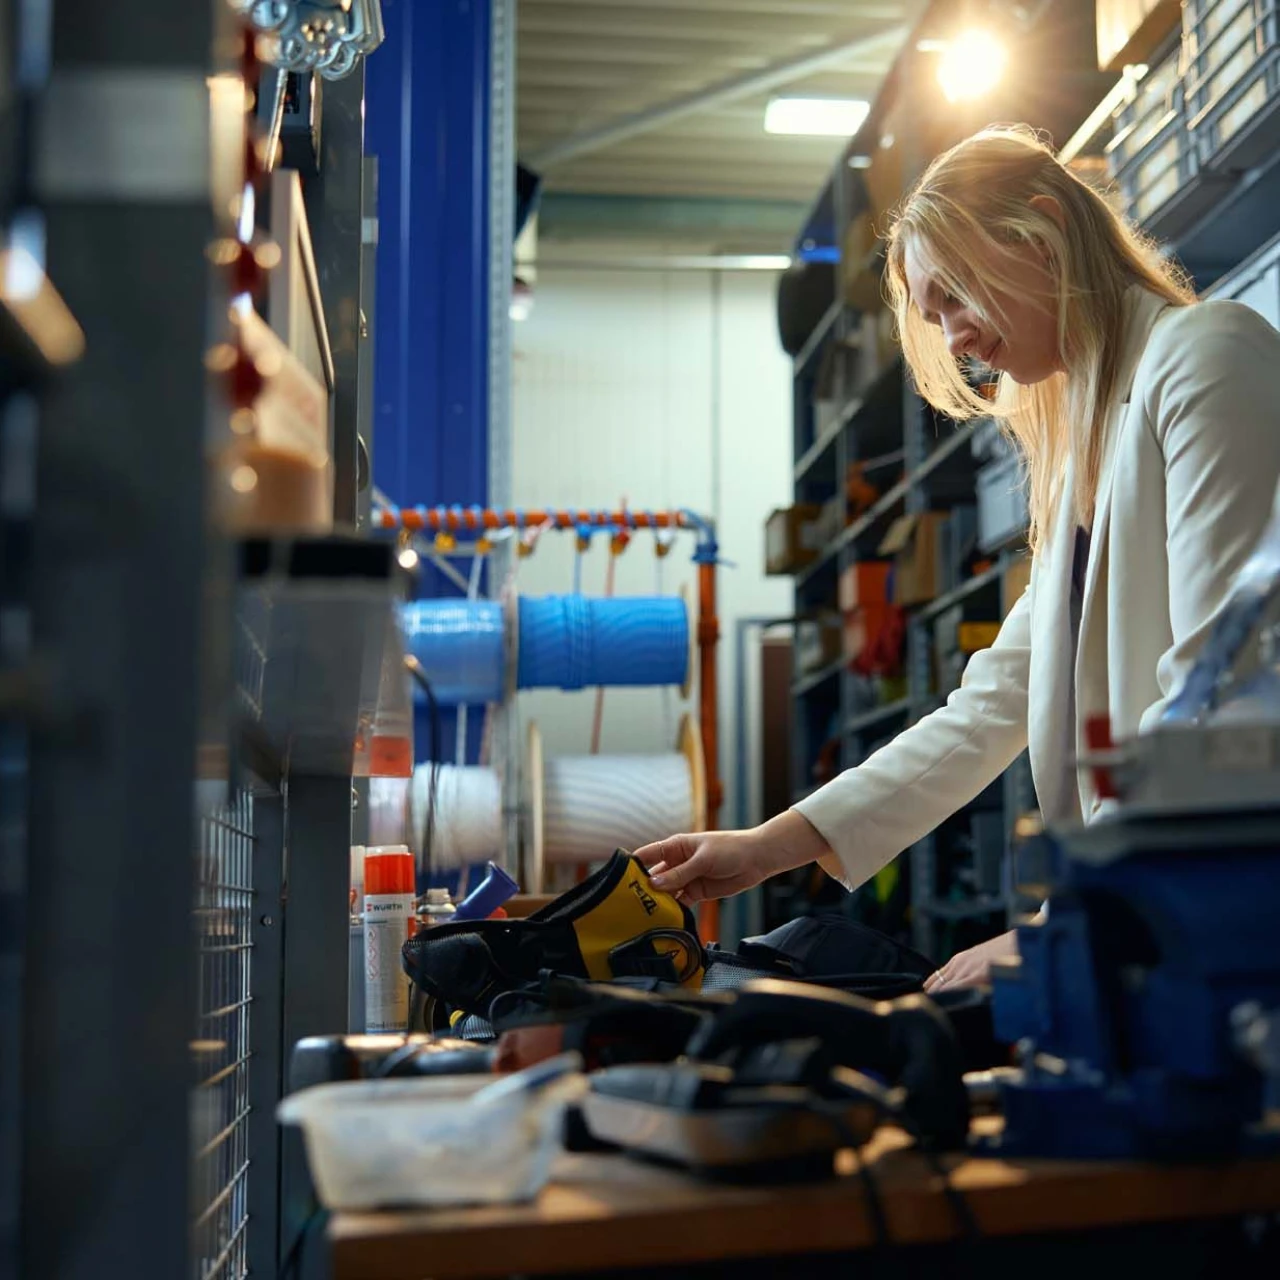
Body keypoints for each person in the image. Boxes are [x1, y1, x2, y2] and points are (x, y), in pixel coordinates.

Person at [637, 125, 1280, 993]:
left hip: (1213, 907)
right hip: (1149, 920)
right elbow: (989, 707)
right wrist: (767, 847)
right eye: (933, 318)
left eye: (953, 297)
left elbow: (1222, 685)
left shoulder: (1207, 355)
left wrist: (1063, 919)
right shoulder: (1081, 458)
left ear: (1040, 230)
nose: (955, 337)